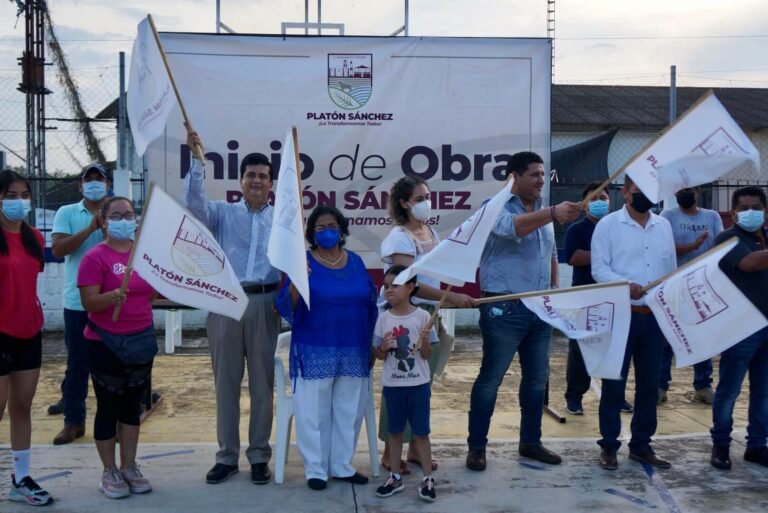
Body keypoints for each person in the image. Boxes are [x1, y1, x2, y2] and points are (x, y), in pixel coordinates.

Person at [466, 151, 582, 471]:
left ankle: (531, 441)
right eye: (534, 174)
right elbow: (513, 229)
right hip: (504, 306)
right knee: (491, 378)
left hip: (539, 308)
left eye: (544, 175)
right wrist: (552, 212)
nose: (541, 180)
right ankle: (477, 447)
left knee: (536, 380)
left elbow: (550, 256)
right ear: (514, 177)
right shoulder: (495, 206)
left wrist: (553, 293)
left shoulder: (542, 213)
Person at [184, 131, 280, 485]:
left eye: (263, 176)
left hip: (265, 304)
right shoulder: (222, 213)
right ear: (241, 180)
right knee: (225, 383)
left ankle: (258, 456)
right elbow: (194, 208)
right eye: (251, 175)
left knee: (262, 384)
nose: (257, 181)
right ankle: (226, 456)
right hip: (225, 302)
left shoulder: (283, 219)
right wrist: (198, 162)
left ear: (271, 183)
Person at [276, 205, 378, 490]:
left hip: (353, 348)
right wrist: (299, 279)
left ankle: (342, 465)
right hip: (314, 348)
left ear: (342, 230)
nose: (326, 232)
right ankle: (316, 469)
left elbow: (370, 301)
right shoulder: (303, 263)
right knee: (313, 412)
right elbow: (286, 307)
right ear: (311, 234)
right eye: (319, 228)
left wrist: (371, 341)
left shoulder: (355, 261)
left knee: (349, 410)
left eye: (331, 226)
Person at [379, 175, 475, 475]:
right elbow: (409, 285)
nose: (426, 203)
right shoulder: (399, 238)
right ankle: (389, 452)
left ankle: (416, 450)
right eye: (420, 199)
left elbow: (434, 275)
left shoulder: (429, 230)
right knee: (400, 382)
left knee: (422, 384)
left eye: (427, 197)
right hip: (405, 317)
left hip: (428, 315)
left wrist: (448, 299)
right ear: (405, 203)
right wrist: (454, 298)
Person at [591, 175, 676, 471]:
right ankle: (609, 446)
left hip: (653, 318)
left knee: (650, 386)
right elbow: (598, 268)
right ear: (625, 192)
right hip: (620, 315)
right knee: (614, 384)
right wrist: (624, 284)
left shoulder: (663, 225)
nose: (644, 196)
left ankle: (641, 445)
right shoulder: (609, 225)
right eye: (638, 190)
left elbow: (670, 269)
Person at [78, 196, 156, 499]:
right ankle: (108, 469)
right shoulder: (94, 258)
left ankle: (129, 466)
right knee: (108, 407)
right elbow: (89, 302)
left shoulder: (144, 255)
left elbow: (149, 295)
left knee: (132, 407)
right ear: (104, 221)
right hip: (104, 343)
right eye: (118, 215)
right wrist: (110, 298)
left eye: (130, 215)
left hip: (140, 340)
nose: (125, 220)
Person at [0, 170, 54, 506]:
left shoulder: (35, 237)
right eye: (10, 195)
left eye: (24, 194)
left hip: (29, 332)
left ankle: (21, 479)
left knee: (22, 407)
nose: (19, 201)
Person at [49, 163, 110, 445]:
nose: (95, 184)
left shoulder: (117, 212)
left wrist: (111, 226)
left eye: (100, 179)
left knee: (117, 364)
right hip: (78, 303)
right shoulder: (67, 213)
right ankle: (73, 421)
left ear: (108, 184)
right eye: (90, 179)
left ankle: (116, 420)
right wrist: (88, 229)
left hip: (111, 302)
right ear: (80, 185)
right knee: (77, 365)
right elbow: (59, 249)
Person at [709, 185, 768, 470]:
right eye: (743, 208)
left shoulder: (766, 238)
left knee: (764, 391)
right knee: (729, 391)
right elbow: (748, 264)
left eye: (755, 207)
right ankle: (721, 445)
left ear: (765, 212)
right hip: (740, 329)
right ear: (733, 213)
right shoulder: (728, 237)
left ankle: (757, 445)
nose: (750, 213)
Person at [562, 182, 633, 416]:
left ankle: (616, 396)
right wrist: (605, 256)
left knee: (615, 349)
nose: (600, 202)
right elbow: (573, 257)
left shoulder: (618, 229)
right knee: (582, 348)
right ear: (584, 205)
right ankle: (575, 397)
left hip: (613, 297)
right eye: (594, 199)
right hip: (585, 295)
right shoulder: (577, 229)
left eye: (603, 197)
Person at [373, 265, 438, 502]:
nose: (389, 290)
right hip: (393, 385)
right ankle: (394, 477)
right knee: (395, 430)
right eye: (386, 286)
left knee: (421, 431)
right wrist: (385, 347)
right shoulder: (383, 319)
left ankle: (428, 479)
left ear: (411, 288)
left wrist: (424, 340)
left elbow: (427, 355)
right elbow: (379, 355)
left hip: (419, 384)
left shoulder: (423, 317)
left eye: (395, 286)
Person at [658, 186, 723, 404]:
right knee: (667, 339)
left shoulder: (712, 217)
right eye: (679, 189)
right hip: (674, 287)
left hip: (702, 287)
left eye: (688, 189)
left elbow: (719, 247)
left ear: (697, 191)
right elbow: (663, 248)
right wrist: (693, 246)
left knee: (702, 338)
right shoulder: (667, 216)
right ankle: (660, 387)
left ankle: (703, 386)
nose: (684, 193)